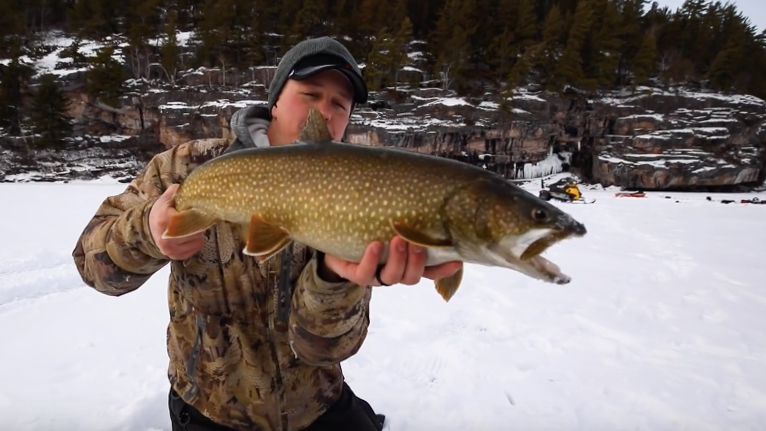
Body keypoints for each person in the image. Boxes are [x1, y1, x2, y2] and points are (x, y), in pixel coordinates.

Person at [72, 36, 462, 431]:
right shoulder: (186, 166)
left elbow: (323, 346)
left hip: (317, 405)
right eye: (310, 94)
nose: (325, 111)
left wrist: (336, 279)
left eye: (340, 105)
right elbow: (92, 264)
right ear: (275, 100)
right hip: (209, 410)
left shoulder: (355, 193)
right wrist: (146, 231)